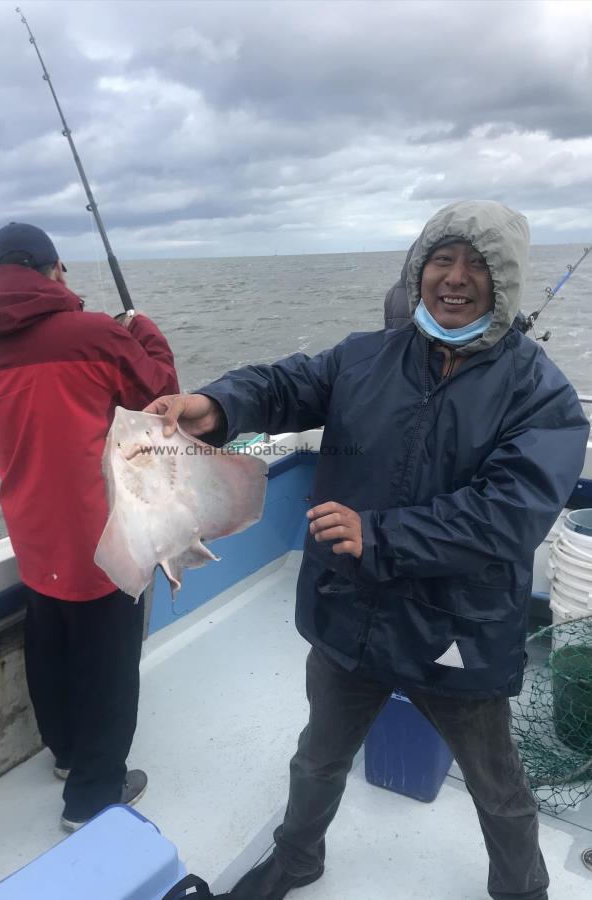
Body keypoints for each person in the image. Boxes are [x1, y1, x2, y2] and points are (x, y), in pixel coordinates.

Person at [145, 200, 590, 900]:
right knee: (317, 758)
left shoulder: (541, 394)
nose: (455, 277)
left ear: (503, 280)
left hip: (456, 629)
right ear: (417, 269)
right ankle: (295, 859)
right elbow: (285, 384)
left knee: (495, 785)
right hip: (349, 611)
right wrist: (216, 405)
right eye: (441, 258)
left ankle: (522, 889)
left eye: (476, 264)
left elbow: (510, 513)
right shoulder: (364, 355)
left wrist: (381, 534)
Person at [0, 222, 180, 831]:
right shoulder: (93, 332)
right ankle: (94, 796)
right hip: (103, 531)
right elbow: (160, 397)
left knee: (51, 644)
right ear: (51, 269)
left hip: (31, 530)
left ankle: (66, 757)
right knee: (110, 663)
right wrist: (145, 332)